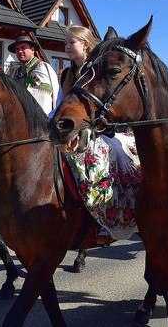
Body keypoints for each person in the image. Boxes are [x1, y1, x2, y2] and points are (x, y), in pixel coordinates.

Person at [54, 25, 142, 245]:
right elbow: (61, 103)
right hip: (74, 129)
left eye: (71, 42)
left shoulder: (95, 69)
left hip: (101, 129)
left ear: (85, 44)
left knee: (93, 160)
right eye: (65, 43)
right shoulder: (66, 73)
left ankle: (109, 219)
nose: (67, 47)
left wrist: (95, 128)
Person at [8, 35, 59, 115]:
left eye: (23, 48)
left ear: (32, 50)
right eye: (17, 49)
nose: (20, 51)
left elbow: (43, 96)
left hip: (40, 117)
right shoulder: (15, 72)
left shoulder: (42, 67)